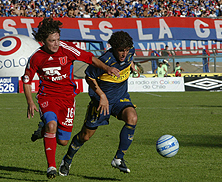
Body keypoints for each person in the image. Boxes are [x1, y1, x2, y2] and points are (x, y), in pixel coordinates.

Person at [22, 17, 120, 179]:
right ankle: (51, 167)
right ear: (43, 41)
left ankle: (43, 129)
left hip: (67, 98)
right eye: (52, 41)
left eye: (58, 40)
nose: (56, 44)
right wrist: (30, 101)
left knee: (63, 142)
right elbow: (26, 81)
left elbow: (90, 58)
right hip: (47, 97)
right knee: (52, 125)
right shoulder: (36, 57)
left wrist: (107, 68)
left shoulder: (67, 49)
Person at [59, 31, 138, 176]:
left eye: (126, 50)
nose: (124, 53)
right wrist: (102, 95)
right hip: (101, 102)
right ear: (113, 47)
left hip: (121, 97)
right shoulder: (105, 60)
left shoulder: (130, 52)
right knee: (85, 136)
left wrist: (132, 65)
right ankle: (67, 159)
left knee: (132, 117)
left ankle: (118, 158)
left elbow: (129, 58)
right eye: (121, 50)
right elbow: (88, 76)